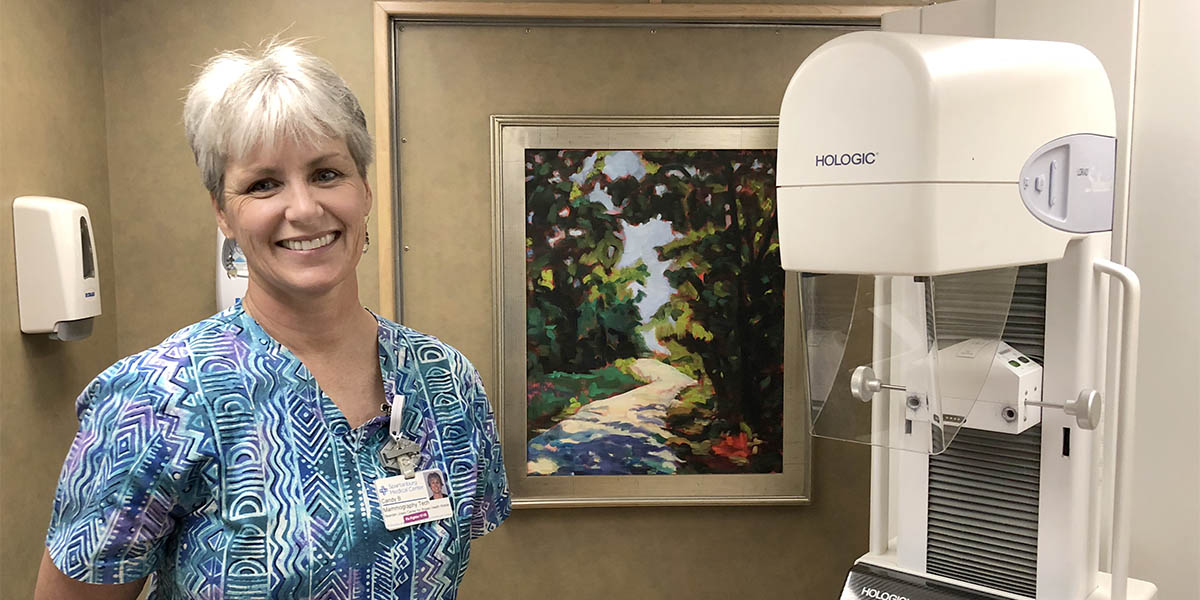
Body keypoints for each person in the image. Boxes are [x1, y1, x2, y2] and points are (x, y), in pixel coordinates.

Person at [34, 40, 510, 600]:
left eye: (327, 173)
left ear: (365, 191)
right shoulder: (154, 400)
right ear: (222, 212)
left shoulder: (446, 380)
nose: (304, 209)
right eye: (264, 184)